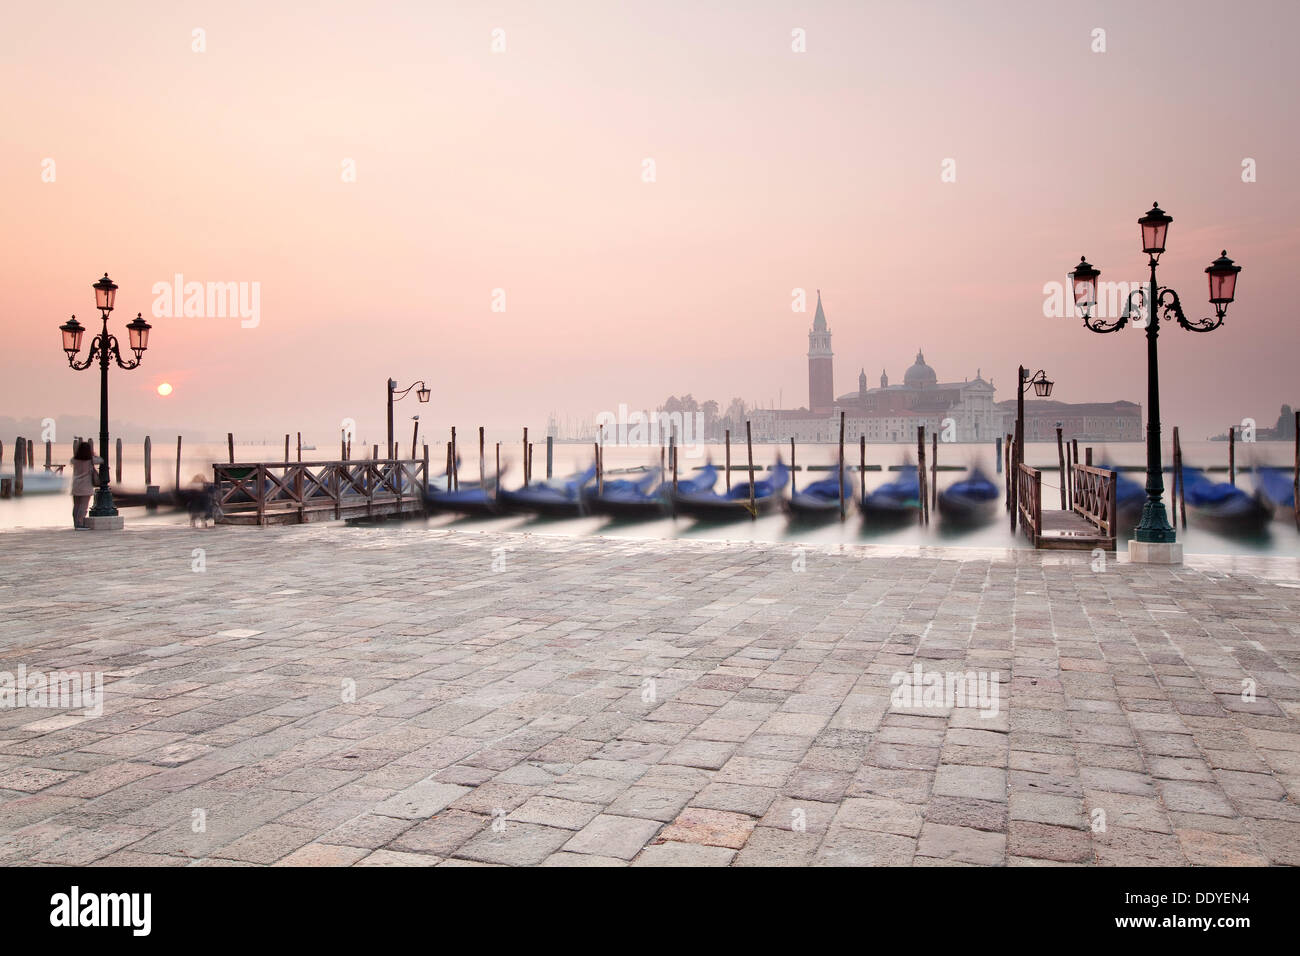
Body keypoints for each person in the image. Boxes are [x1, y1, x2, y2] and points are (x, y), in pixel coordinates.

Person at [70, 441, 96, 529]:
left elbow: (72, 461)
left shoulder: (74, 460)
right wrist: (93, 454)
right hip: (86, 486)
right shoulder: (90, 460)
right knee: (83, 506)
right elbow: (101, 460)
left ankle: (75, 523)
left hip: (76, 485)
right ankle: (80, 523)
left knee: (76, 505)